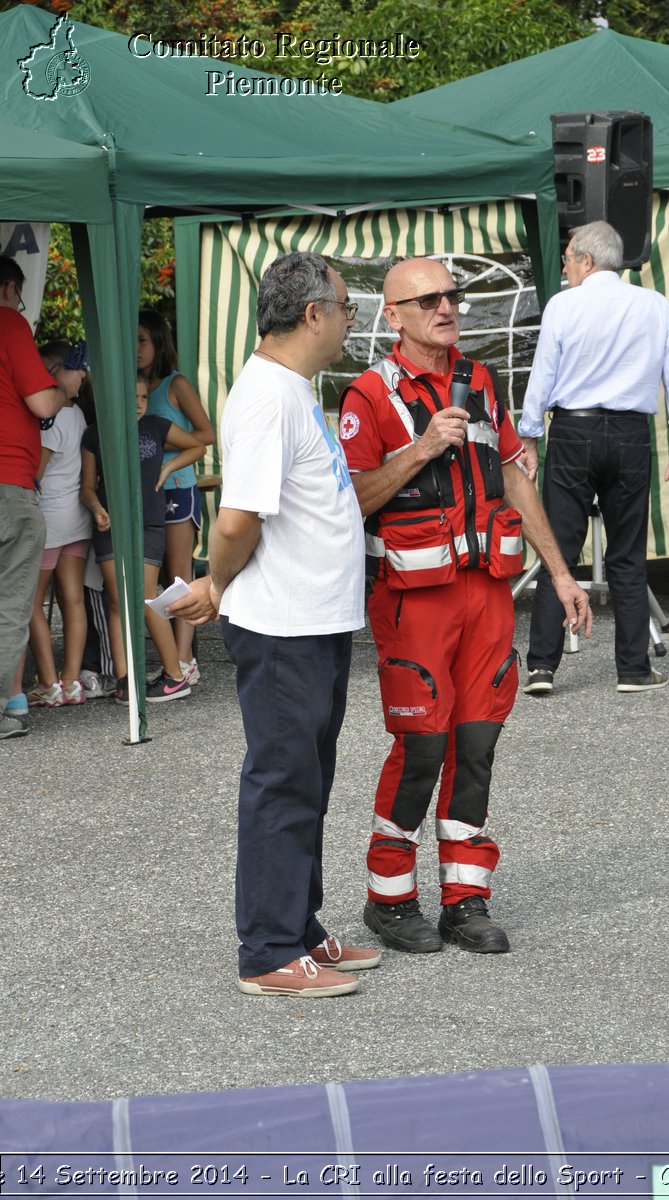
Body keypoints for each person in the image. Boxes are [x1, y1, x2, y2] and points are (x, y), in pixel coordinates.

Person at [338, 256, 591, 955]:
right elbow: (351, 501)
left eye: (451, 296)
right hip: (413, 602)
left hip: (485, 597)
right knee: (421, 746)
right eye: (426, 301)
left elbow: (513, 477)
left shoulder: (481, 380)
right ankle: (387, 900)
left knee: (475, 745)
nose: (446, 309)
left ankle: (464, 898)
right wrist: (420, 449)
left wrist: (561, 574)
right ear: (393, 316)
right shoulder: (367, 395)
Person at [168, 251, 380, 998]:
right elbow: (236, 519)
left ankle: (297, 924)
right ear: (313, 313)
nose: (352, 320)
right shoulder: (265, 395)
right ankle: (265, 950)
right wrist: (216, 581)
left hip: (314, 618)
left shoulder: (292, 388)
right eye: (348, 307)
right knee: (283, 783)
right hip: (284, 622)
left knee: (308, 781)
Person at [517, 221, 669, 697]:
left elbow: (543, 376)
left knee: (557, 547)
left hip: (573, 432)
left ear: (587, 260)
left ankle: (541, 667)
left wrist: (530, 439)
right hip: (629, 434)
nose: (566, 267)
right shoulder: (654, 304)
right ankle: (633, 669)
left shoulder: (563, 305)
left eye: (569, 259)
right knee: (627, 554)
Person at [80, 373, 204, 704]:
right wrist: (95, 508)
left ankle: (175, 676)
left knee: (146, 597)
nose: (138, 403)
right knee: (117, 600)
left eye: (143, 397)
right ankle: (125, 681)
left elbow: (197, 444)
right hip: (109, 524)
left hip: (149, 522)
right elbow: (88, 487)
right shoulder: (94, 434)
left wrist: (167, 468)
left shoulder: (157, 426)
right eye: (131, 396)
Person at [0, 256, 69, 740]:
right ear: (8, 288)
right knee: (8, 605)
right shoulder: (9, 321)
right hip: (8, 483)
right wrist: (61, 389)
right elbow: (42, 403)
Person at [138, 309, 214, 685]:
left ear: (158, 342)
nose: (135, 349)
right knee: (153, 575)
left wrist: (169, 452)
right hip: (144, 492)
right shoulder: (133, 385)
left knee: (179, 574)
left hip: (178, 486)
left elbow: (207, 433)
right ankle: (173, 658)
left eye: (142, 341)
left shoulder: (175, 383)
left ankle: (184, 660)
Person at [23, 340, 92, 709]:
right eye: (77, 368)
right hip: (77, 519)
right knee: (73, 600)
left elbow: (36, 472)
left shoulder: (49, 420)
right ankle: (71, 681)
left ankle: (48, 683)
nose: (83, 374)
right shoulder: (78, 414)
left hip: (49, 518)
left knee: (32, 603)